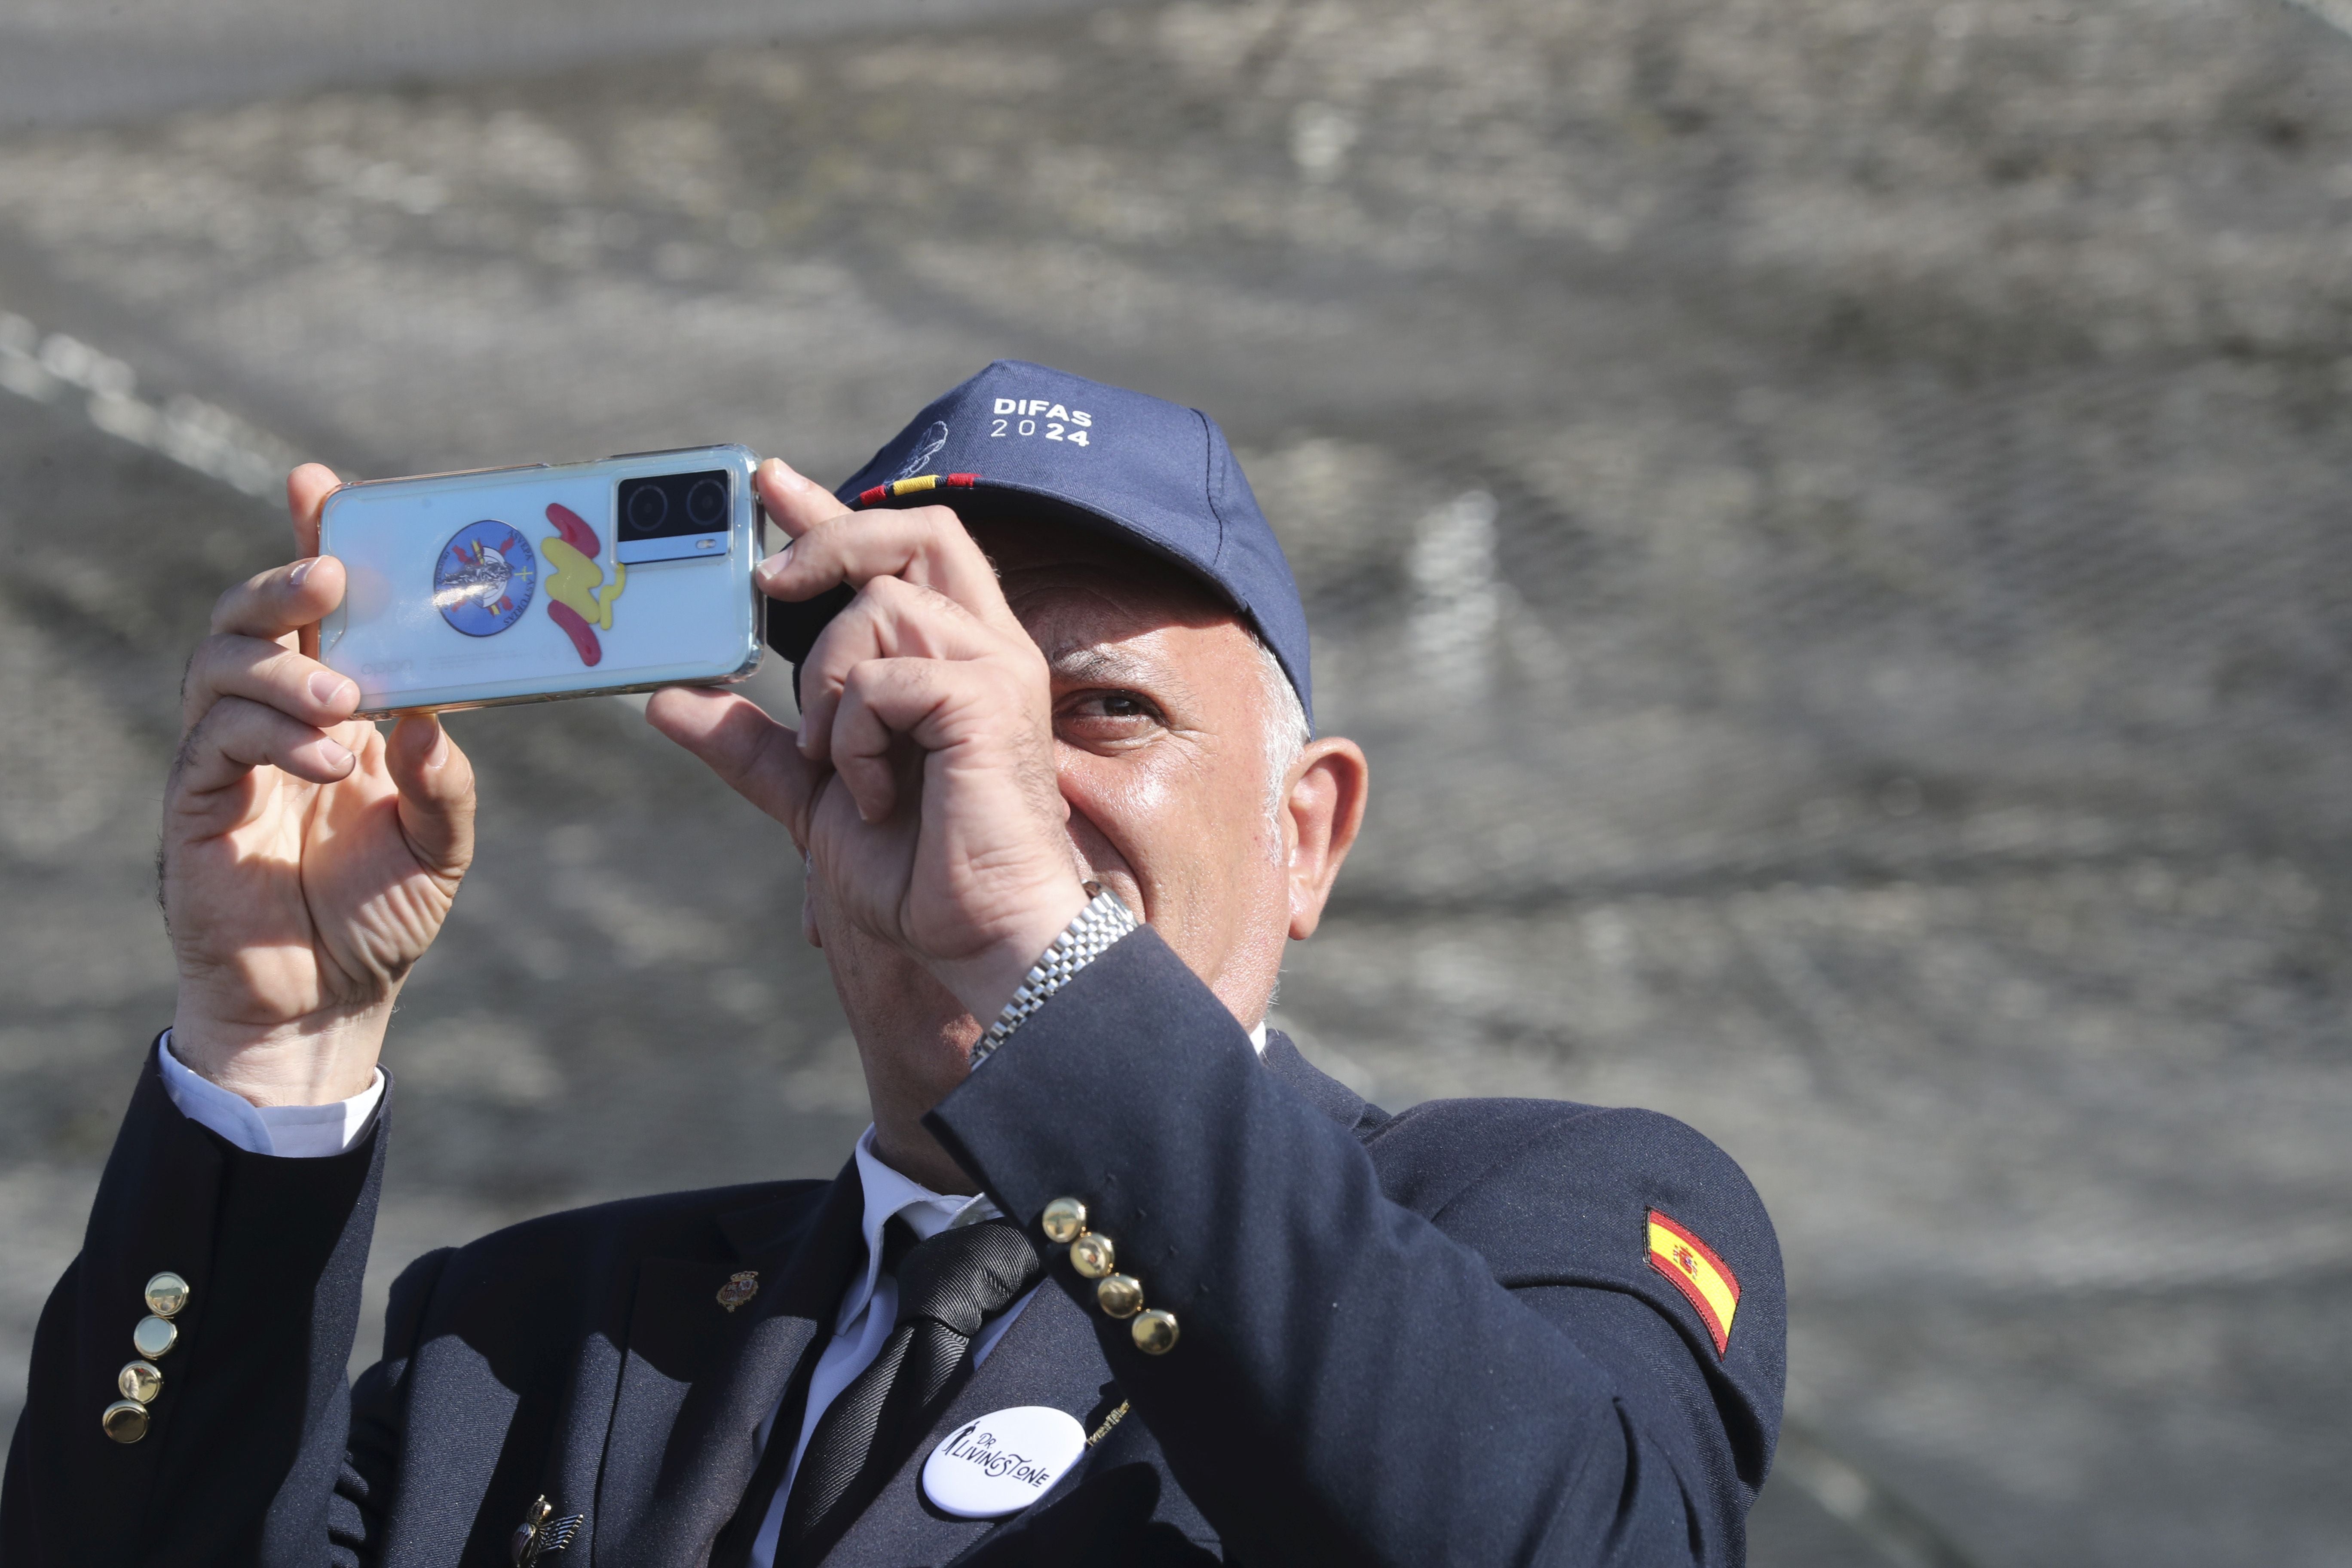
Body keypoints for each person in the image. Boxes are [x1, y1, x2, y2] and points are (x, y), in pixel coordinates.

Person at [1, 361, 1784, 1567]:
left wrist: (1048, 960)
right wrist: (276, 1049)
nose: (981, 773)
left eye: (1100, 711)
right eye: (909, 709)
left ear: (1306, 832)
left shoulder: (1535, 1220)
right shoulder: (535, 1340)